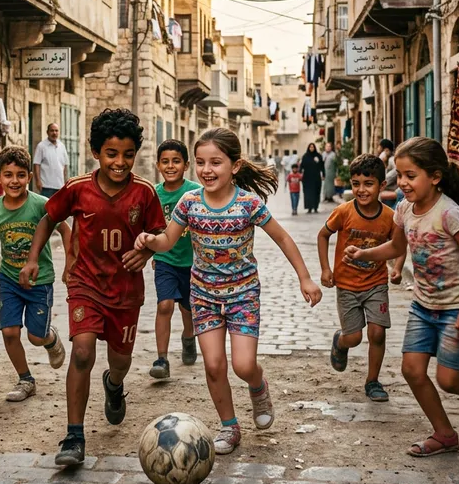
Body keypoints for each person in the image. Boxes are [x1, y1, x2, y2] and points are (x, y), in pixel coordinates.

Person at [135, 128, 321, 455]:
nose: (207, 170)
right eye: (202, 162)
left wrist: (305, 278)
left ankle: (258, 388)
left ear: (234, 166)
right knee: (214, 365)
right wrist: (150, 241)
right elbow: (167, 239)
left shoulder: (248, 204)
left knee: (244, 365)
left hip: (243, 296)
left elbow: (282, 238)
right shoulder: (189, 202)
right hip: (203, 296)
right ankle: (229, 426)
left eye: (216, 162)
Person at [19, 109, 166, 467]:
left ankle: (114, 384)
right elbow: (47, 218)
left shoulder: (144, 193)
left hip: (126, 292)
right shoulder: (77, 189)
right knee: (82, 352)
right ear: (96, 152)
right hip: (85, 283)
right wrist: (33, 258)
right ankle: (74, 435)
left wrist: (145, 251)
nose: (119, 162)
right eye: (111, 154)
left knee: (120, 361)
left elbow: (161, 235)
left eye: (128, 155)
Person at [345, 137, 459, 457]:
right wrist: (364, 254)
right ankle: (444, 433)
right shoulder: (404, 209)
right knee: (412, 370)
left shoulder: (450, 213)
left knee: (449, 379)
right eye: (399, 175)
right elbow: (397, 248)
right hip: (423, 307)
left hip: (455, 309)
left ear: (435, 176)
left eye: (411, 176)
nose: (403, 183)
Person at [0, 147, 71, 401]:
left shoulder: (41, 204)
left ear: (29, 177)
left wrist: (70, 263)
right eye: (8, 175)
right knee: (9, 332)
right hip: (9, 280)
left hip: (41, 281)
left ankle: (50, 339)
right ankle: (25, 379)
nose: (14, 181)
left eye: (20, 175)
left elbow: (65, 229)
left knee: (35, 336)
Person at [317, 154, 404, 402]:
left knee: (377, 333)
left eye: (368, 184)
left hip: (376, 283)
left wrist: (397, 267)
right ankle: (340, 342)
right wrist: (326, 269)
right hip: (346, 285)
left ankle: (372, 381)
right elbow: (323, 235)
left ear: (381, 186)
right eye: (356, 183)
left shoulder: (390, 217)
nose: (361, 189)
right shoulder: (343, 212)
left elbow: (400, 244)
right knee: (354, 337)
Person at [149, 139, 199, 380]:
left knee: (187, 308)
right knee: (165, 305)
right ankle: (162, 358)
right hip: (164, 258)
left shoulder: (194, 193)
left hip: (191, 261)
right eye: (165, 162)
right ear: (158, 165)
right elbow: (148, 228)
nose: (171, 166)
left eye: (176, 161)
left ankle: (189, 339)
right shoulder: (153, 194)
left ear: (186, 165)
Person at [33, 122, 69, 198]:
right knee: (47, 209)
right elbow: (36, 164)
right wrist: (38, 181)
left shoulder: (62, 146)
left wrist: (66, 182)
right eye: (52, 131)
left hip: (60, 186)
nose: (54, 133)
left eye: (56, 131)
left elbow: (65, 165)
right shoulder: (41, 146)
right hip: (46, 186)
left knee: (59, 209)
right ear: (47, 132)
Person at [300, 142, 324, 213]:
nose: (311, 148)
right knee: (308, 193)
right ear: (308, 148)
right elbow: (302, 166)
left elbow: (322, 166)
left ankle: (316, 207)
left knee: (316, 192)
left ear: (314, 148)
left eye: (313, 147)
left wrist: (324, 174)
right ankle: (309, 208)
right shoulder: (305, 156)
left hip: (316, 178)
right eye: (310, 147)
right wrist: (299, 172)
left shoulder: (318, 156)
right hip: (307, 178)